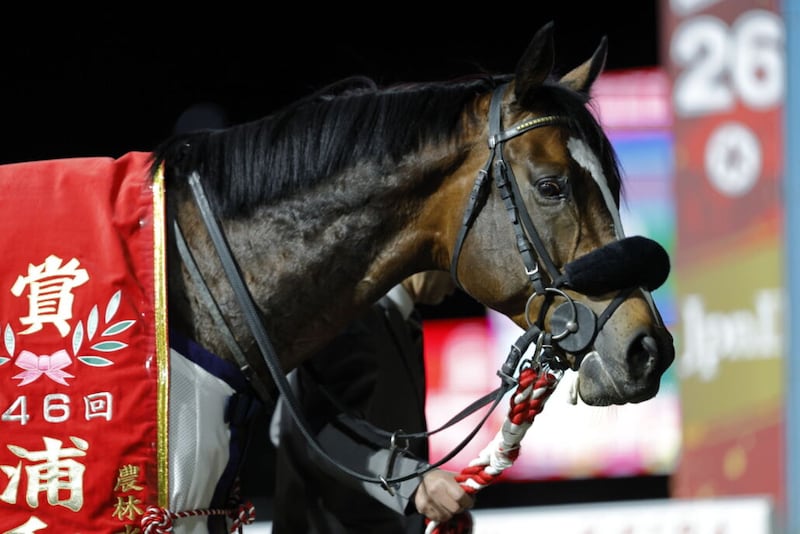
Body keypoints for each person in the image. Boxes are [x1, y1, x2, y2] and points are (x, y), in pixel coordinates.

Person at [270, 270, 474, 533]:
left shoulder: (398, 317)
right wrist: (413, 481)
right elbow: (320, 431)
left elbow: (281, 427)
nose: (459, 280)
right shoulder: (351, 316)